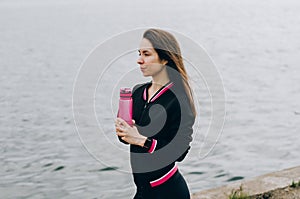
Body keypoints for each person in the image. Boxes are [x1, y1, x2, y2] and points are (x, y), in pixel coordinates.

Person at [115, 28, 196, 199]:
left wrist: (141, 140)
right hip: (142, 191)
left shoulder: (179, 100)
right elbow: (124, 139)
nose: (139, 60)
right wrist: (123, 131)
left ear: (165, 58)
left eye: (146, 54)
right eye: (139, 53)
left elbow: (180, 152)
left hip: (168, 191)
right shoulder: (137, 92)